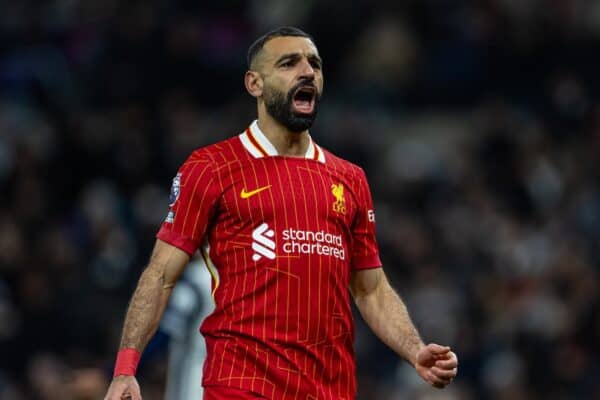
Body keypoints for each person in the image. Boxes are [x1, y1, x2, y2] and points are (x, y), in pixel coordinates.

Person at [104, 26, 458, 400]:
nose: (308, 72)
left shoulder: (350, 179)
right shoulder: (211, 167)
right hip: (241, 388)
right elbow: (160, 276)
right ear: (254, 83)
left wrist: (413, 349)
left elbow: (370, 288)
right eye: (289, 63)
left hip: (330, 391)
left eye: (315, 65)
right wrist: (126, 369)